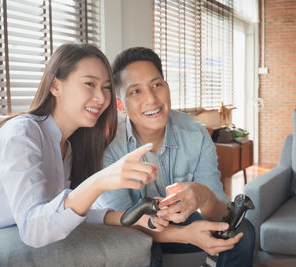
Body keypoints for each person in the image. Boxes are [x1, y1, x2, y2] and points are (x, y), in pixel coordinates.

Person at [0, 43, 160, 248]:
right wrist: (100, 180)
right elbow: (34, 230)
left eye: (106, 87)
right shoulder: (21, 133)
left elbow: (61, 214)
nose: (101, 98)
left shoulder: (69, 147)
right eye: (90, 84)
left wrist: (129, 217)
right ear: (55, 86)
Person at [96, 47, 255, 267]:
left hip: (183, 223)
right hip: (135, 230)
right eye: (136, 91)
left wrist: (204, 197)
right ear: (121, 105)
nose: (151, 99)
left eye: (156, 85)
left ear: (167, 88)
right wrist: (185, 235)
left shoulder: (196, 135)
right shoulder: (109, 147)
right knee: (140, 245)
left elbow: (219, 214)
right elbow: (122, 222)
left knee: (242, 231)